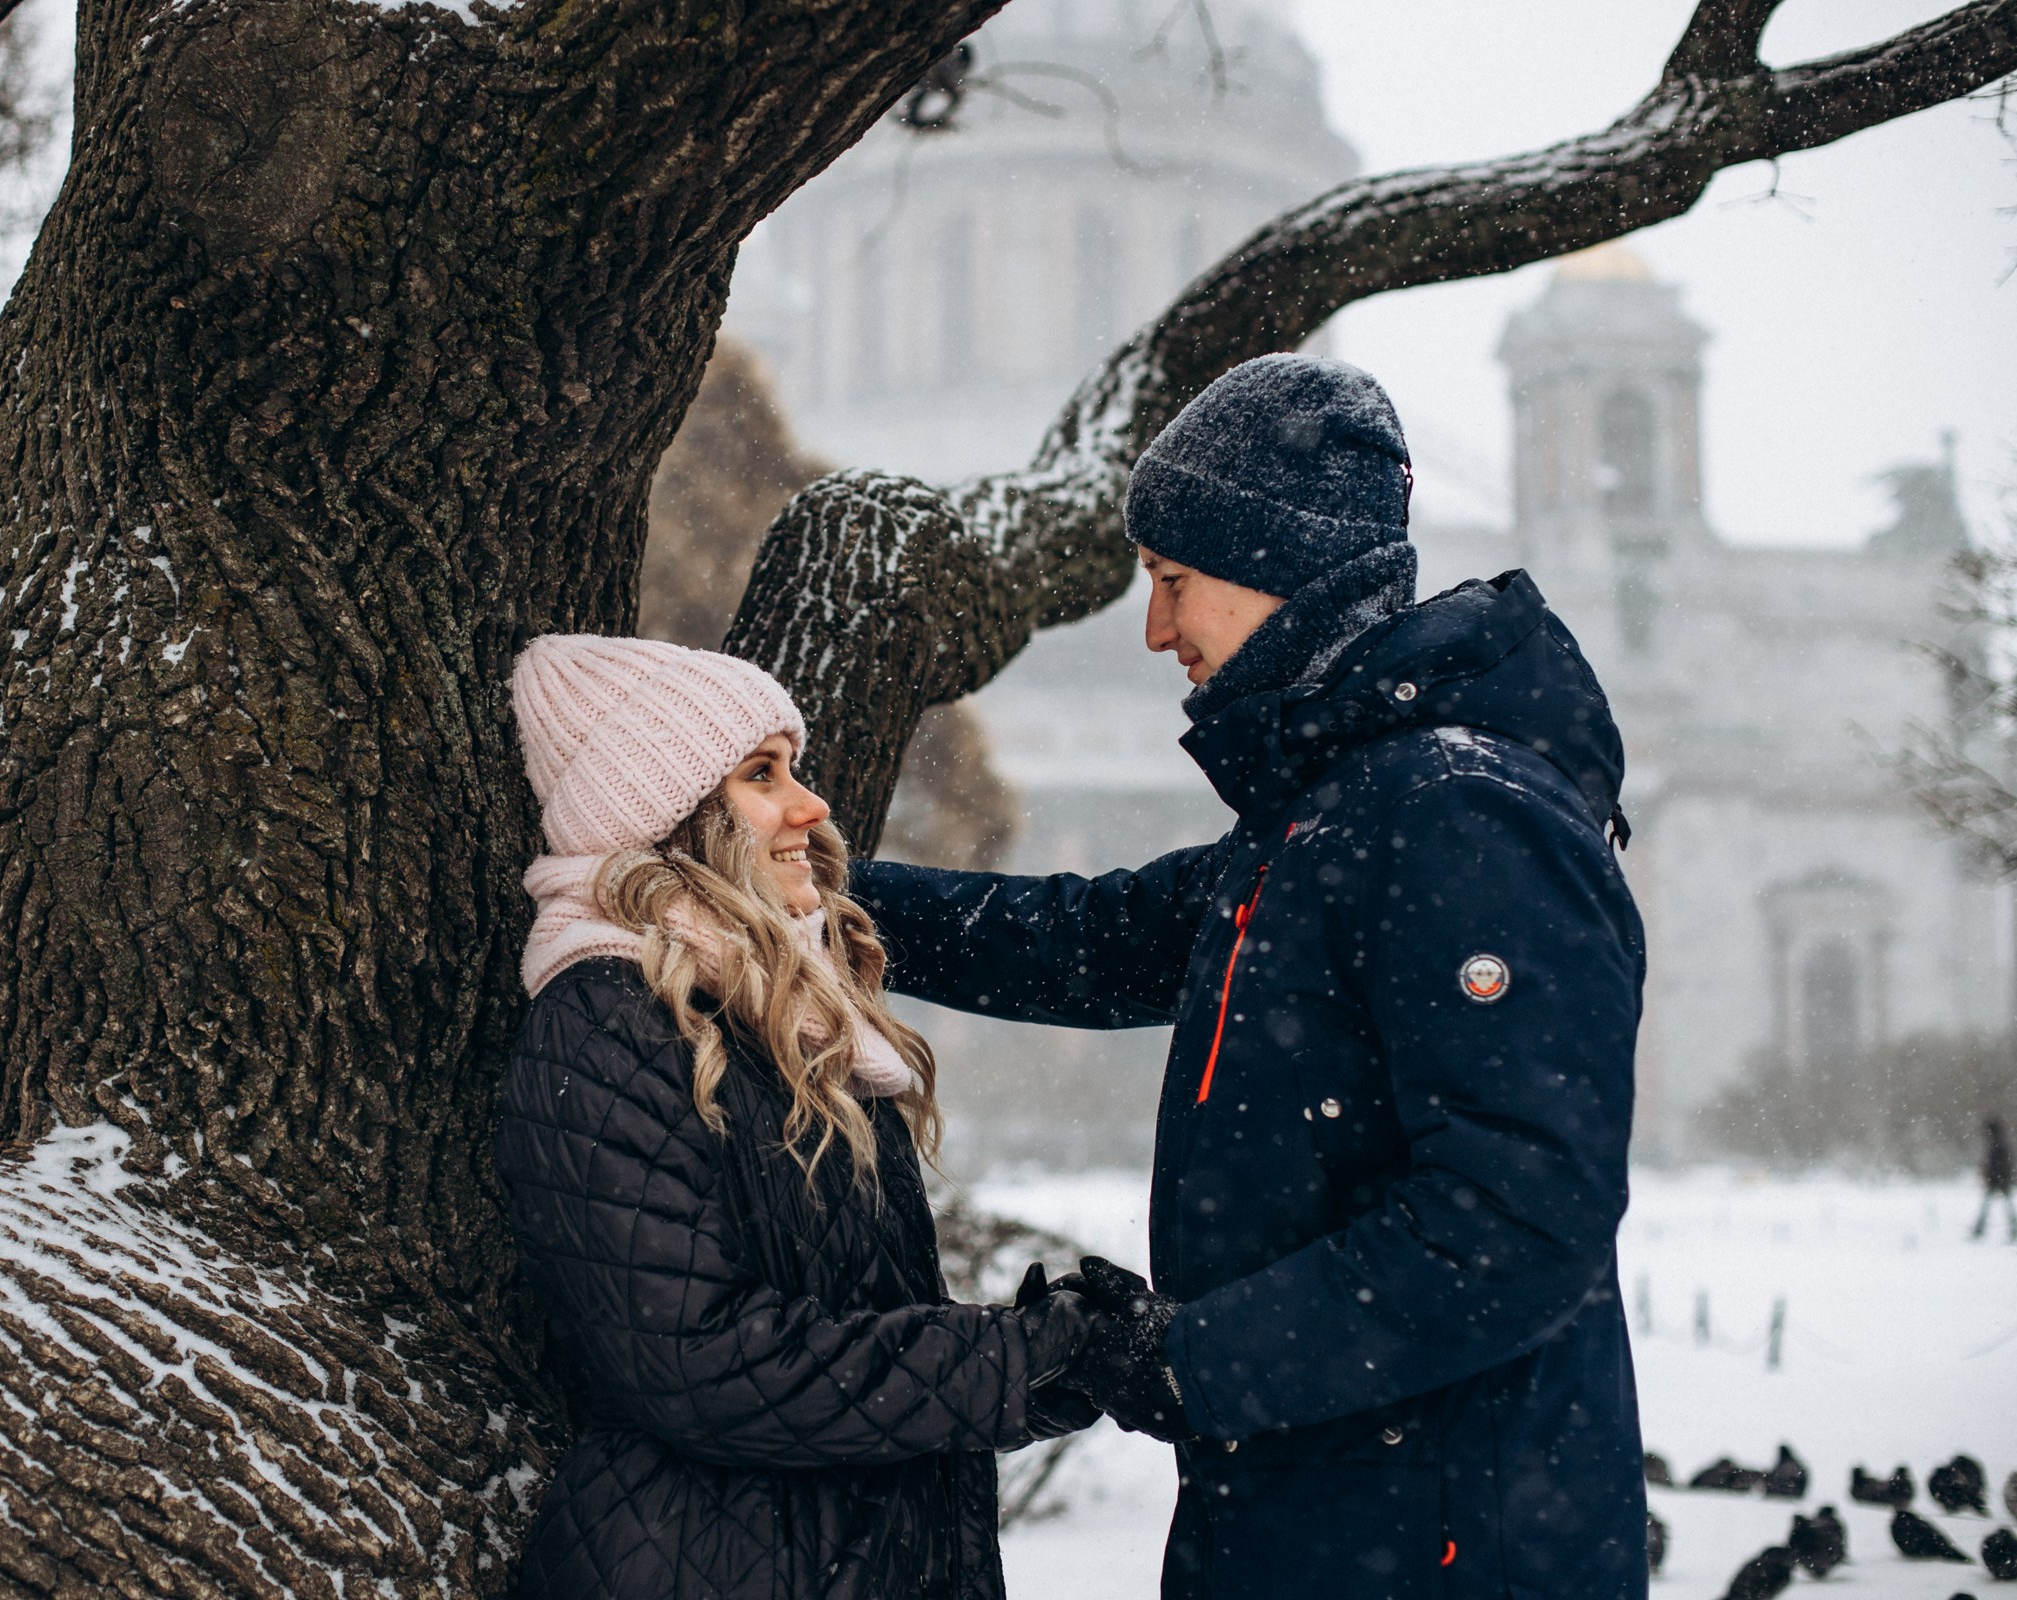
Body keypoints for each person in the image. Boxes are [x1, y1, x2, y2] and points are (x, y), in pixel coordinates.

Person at [850, 354, 1651, 1597]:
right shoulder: (1333, 812)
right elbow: (1094, 938)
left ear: (1284, 574)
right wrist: (825, 902)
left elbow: (1516, 1217)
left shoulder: (1454, 816)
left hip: (1437, 1542)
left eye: (1173, 583)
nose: (1157, 630)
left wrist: (1196, 1358)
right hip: (1314, 1508)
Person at [494, 634, 1100, 1600]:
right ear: (670, 815)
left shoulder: (781, 1018)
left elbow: (850, 1323)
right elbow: (699, 1363)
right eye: (762, 774)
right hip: (714, 1567)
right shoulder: (607, 1019)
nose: (811, 807)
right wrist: (1012, 1358)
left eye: (796, 767)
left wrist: (1058, 1366)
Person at [1977, 1115, 2015, 1240]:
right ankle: (2014, 1228)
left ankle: (1979, 1229)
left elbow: (1998, 1164)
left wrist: (1992, 1177)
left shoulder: (1996, 1144)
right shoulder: (2000, 1143)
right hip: (2000, 1179)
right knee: (2006, 1207)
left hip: (1996, 1180)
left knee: (1988, 1207)